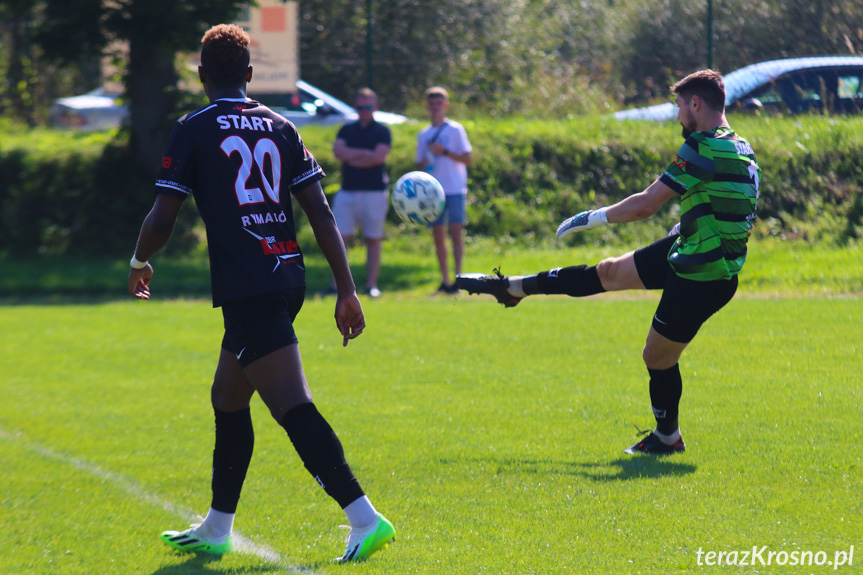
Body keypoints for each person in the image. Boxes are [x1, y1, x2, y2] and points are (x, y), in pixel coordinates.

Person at [127, 24, 395, 562]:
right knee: (227, 398)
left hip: (249, 286)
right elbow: (319, 211)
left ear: (202, 75)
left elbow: (163, 215)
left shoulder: (195, 127)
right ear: (250, 75)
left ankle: (364, 517)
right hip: (285, 277)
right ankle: (217, 527)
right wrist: (347, 288)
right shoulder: (281, 126)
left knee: (292, 406)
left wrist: (139, 260)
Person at [457, 69, 760, 455]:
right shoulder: (740, 146)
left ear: (696, 104)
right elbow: (731, 203)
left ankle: (668, 437)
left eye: (679, 106)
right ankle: (512, 288)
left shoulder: (701, 145)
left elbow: (646, 204)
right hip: (691, 250)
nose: (678, 115)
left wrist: (595, 216)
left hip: (704, 273)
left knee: (657, 355)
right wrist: (688, 226)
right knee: (609, 271)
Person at [330, 88, 392, 298]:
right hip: (347, 191)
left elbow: (378, 158)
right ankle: (335, 285)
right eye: (360, 106)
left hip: (374, 192)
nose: (364, 110)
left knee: (373, 239)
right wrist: (364, 153)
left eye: (368, 106)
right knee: (340, 239)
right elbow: (339, 151)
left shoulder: (382, 131)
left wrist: (353, 157)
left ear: (375, 107)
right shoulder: (346, 130)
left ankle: (371, 285)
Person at [416, 86, 473, 294]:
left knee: (456, 234)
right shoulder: (424, 134)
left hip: (455, 188)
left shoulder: (455, 130)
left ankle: (458, 279)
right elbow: (420, 166)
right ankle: (445, 280)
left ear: (445, 105)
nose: (435, 107)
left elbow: (467, 158)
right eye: (432, 103)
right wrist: (424, 162)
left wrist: (445, 151)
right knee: (438, 235)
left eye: (439, 103)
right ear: (427, 106)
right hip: (433, 192)